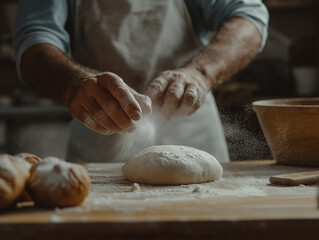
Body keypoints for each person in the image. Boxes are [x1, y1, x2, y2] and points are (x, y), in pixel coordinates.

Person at [13, 0, 269, 163]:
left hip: (191, 128)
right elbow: (34, 40)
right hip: (100, 128)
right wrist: (75, 84)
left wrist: (200, 73)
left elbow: (249, 14)